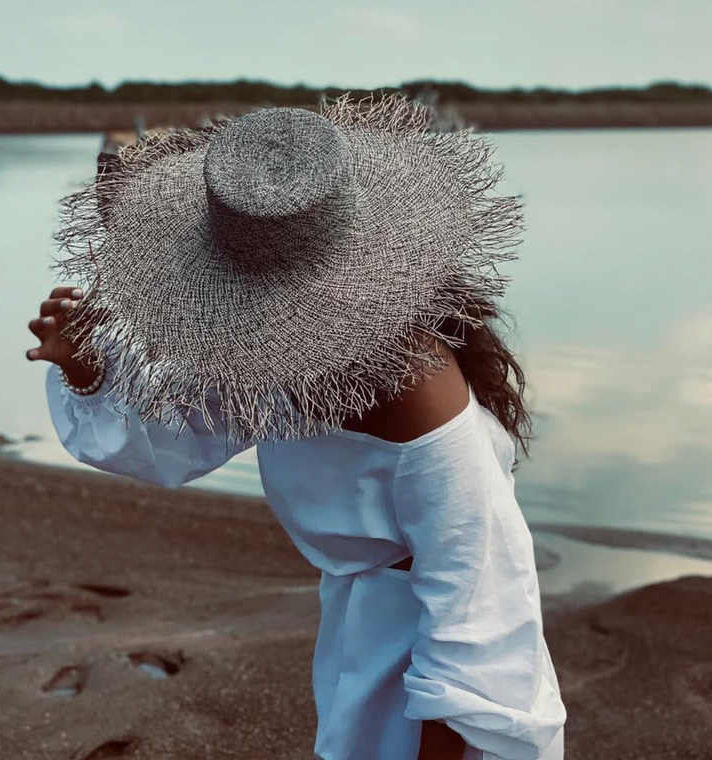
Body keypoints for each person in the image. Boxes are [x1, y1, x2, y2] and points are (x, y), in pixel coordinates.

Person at [27, 93, 566, 760]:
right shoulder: (274, 349)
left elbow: (481, 611)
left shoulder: (418, 393)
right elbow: (174, 440)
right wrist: (86, 370)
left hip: (444, 697)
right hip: (362, 643)